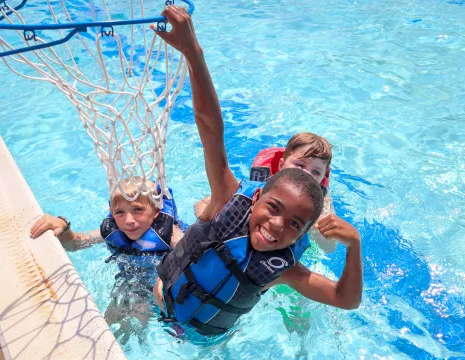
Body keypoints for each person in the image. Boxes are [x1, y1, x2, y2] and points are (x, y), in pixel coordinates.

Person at [151, 6, 363, 336]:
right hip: (155, 302)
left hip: (203, 342)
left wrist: (355, 247)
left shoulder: (284, 270)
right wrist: (193, 53)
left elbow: (345, 299)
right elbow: (210, 129)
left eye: (294, 224)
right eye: (273, 209)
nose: (276, 227)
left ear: (305, 231)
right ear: (258, 196)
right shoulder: (226, 200)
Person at [30, 178, 183, 342]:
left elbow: (192, 253)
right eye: (120, 213)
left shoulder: (169, 233)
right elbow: (75, 244)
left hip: (162, 288)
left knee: (133, 328)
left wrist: (166, 277)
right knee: (105, 328)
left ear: (156, 211)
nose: (128, 220)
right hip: (131, 284)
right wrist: (63, 224)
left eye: (137, 210)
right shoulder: (113, 231)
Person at [194, 132, 338, 252]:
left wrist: (313, 227)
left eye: (316, 172)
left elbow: (329, 248)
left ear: (322, 178)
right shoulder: (259, 185)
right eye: (299, 165)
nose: (307, 174)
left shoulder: (321, 205)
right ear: (281, 165)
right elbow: (201, 204)